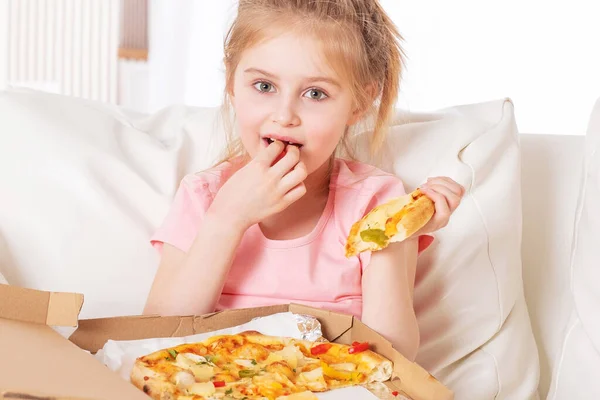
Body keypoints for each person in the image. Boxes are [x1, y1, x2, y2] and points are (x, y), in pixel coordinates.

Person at [144, 0, 464, 361]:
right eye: (264, 86)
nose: (284, 116)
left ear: (359, 103)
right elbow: (154, 333)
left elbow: (394, 356)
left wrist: (390, 236)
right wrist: (227, 220)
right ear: (232, 82)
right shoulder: (204, 196)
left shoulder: (376, 204)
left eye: (315, 94)